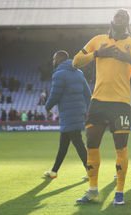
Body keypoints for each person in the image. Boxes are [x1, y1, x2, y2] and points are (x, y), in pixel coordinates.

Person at [72, 8, 131, 205]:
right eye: (118, 14)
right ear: (112, 20)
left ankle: (119, 192)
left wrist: (129, 59)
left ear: (127, 23)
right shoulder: (98, 40)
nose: (122, 15)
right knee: (91, 144)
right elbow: (75, 61)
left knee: (121, 148)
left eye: (125, 15)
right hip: (98, 101)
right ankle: (92, 190)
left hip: (121, 103)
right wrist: (98, 53)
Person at [44, 50, 91, 179]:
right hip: (77, 113)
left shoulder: (59, 74)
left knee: (78, 143)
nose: (53, 61)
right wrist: (89, 111)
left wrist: (47, 107)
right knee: (64, 145)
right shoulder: (79, 73)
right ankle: (54, 171)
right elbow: (88, 94)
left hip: (68, 114)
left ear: (59, 59)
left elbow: (55, 95)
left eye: (54, 59)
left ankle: (90, 171)